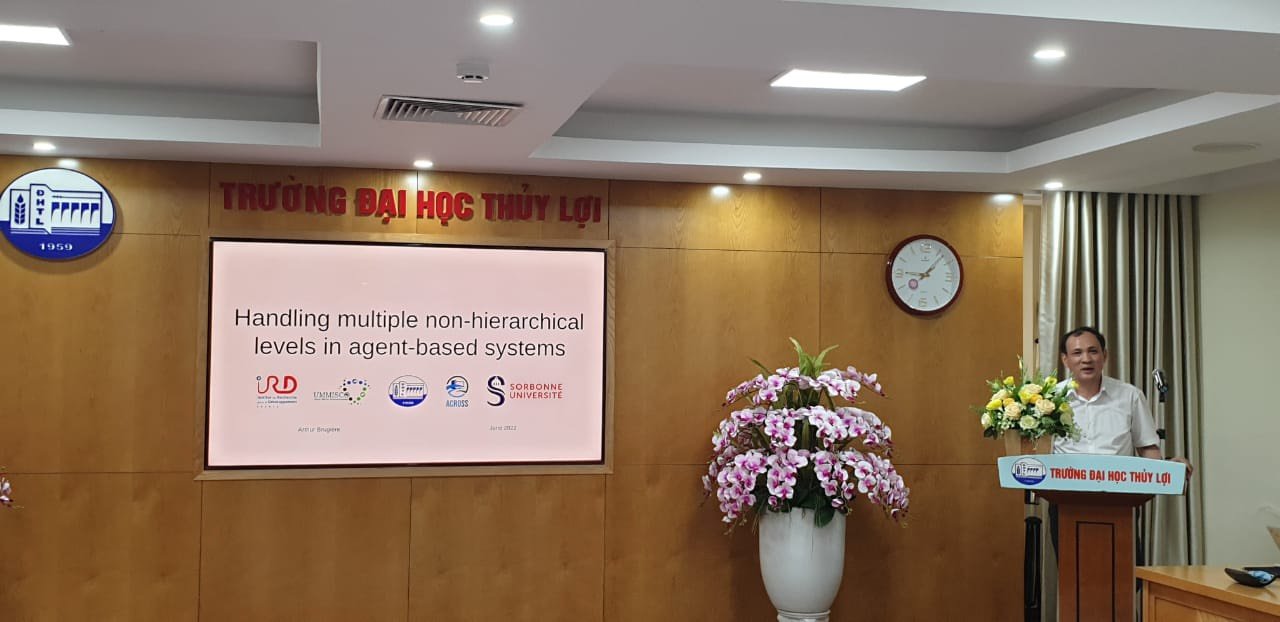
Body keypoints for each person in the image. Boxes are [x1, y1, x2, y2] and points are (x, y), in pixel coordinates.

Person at [1049, 325, 1193, 554]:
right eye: (1077, 353)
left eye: (1093, 351)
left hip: (1120, 500)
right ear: (1065, 360)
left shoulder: (1129, 395)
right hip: (1066, 501)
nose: (1086, 359)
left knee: (1123, 571)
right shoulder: (1050, 399)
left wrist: (1168, 468)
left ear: (1105, 355)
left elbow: (1147, 447)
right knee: (1073, 571)